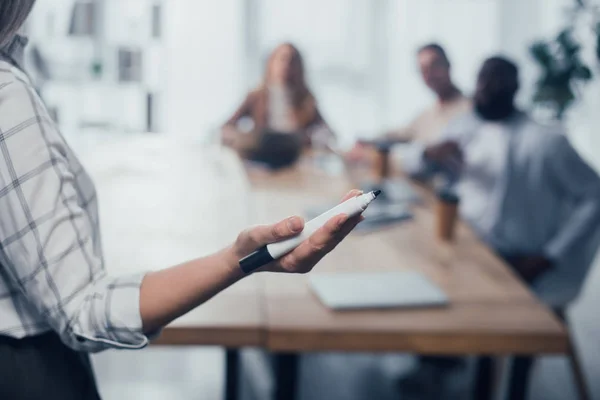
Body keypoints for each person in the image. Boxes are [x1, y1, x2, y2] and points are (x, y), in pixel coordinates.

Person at [0, 3, 362, 399]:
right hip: (28, 368)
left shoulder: (306, 101)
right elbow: (84, 310)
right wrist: (237, 259)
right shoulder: (7, 94)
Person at [399, 56, 600, 399]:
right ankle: (437, 363)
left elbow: (594, 195)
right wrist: (430, 153)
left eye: (498, 83)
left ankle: (497, 384)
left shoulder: (545, 142)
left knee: (502, 317)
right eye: (483, 81)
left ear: (515, 89)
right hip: (466, 248)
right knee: (412, 270)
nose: (487, 89)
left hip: (520, 260)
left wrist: (549, 256)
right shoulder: (465, 127)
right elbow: (413, 164)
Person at [346, 43, 471, 162]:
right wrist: (368, 142)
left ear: (448, 65)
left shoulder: (470, 110)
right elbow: (401, 134)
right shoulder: (428, 114)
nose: (430, 75)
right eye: (424, 70)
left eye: (434, 66)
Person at [222, 43, 334, 160]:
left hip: (296, 159)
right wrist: (243, 138)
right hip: (263, 156)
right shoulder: (256, 96)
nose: (286, 65)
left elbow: (328, 132)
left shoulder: (306, 100)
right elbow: (227, 126)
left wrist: (312, 139)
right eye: (282, 59)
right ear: (271, 62)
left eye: (291, 61)